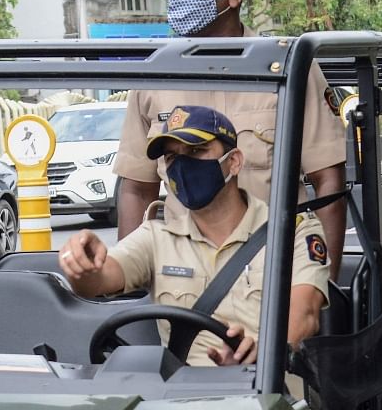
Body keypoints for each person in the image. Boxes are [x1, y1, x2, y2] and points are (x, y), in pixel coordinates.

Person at [112, 0, 347, 278]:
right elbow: (137, 190)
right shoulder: (154, 76)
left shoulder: (288, 69)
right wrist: (129, 284)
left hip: (274, 279)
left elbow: (328, 181)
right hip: (182, 282)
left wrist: (324, 288)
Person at [60, 105, 329, 367]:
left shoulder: (292, 231)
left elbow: (305, 315)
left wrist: (264, 352)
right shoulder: (157, 237)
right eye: (173, 158)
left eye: (196, 151)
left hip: (270, 393)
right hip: (184, 401)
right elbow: (98, 281)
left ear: (233, 162)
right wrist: (82, 264)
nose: (184, 166)